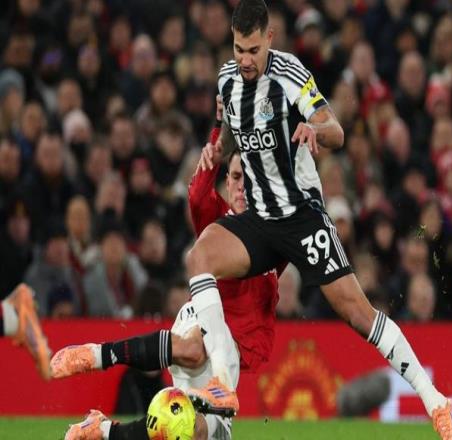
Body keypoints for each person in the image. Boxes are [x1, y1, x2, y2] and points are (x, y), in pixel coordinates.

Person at [180, 2, 452, 439]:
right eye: (238, 49)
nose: (246, 60)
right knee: (199, 258)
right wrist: (217, 146)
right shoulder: (227, 78)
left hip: (301, 218)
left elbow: (336, 130)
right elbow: (229, 125)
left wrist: (315, 130)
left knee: (358, 314)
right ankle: (221, 382)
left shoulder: (290, 74)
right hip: (259, 219)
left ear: (270, 38)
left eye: (253, 50)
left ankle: (437, 403)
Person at [51, 119, 283, 440]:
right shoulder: (219, 222)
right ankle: (99, 354)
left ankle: (102, 430)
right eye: (235, 177)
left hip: (236, 349)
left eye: (251, 178)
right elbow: (198, 197)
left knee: (190, 430)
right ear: (227, 184)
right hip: (202, 324)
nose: (243, 185)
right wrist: (216, 135)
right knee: (195, 349)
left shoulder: (279, 231)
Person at [0, 283, 51, 380]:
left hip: (10, 322)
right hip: (12, 323)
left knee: (24, 291)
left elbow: (46, 375)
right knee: (24, 291)